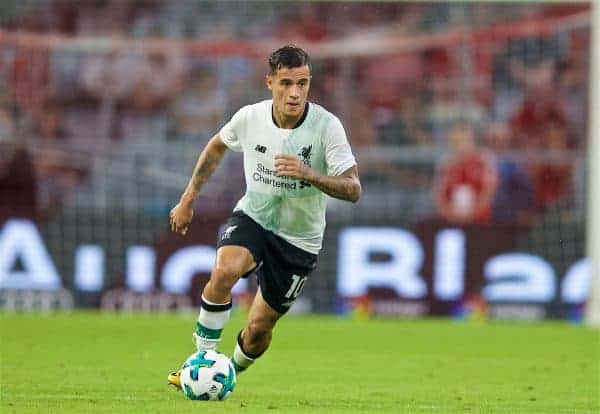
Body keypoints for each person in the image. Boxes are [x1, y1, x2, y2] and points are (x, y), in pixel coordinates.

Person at [167, 45, 361, 386]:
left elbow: (353, 188)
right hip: (254, 217)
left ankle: (228, 373)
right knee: (225, 269)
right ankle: (200, 360)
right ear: (269, 82)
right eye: (286, 83)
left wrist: (310, 174)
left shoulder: (327, 127)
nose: (295, 93)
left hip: (299, 240)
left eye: (302, 83)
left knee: (258, 331)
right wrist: (188, 199)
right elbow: (216, 147)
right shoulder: (249, 118)